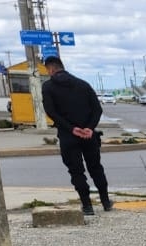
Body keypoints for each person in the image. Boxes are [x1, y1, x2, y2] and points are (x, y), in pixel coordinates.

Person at [40, 55, 111, 215]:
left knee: (76, 171)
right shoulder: (83, 84)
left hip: (68, 136)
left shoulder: (48, 87)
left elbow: (51, 111)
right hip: (89, 136)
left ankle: (87, 206)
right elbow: (97, 109)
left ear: (51, 68)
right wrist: (89, 128)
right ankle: (106, 202)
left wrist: (71, 129)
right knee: (96, 168)